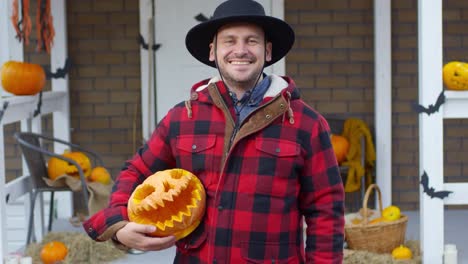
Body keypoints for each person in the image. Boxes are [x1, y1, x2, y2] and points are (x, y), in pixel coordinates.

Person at [83, 0, 345, 263]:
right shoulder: (183, 118)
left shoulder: (305, 124)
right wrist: (119, 225)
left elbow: (326, 212)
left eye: (251, 41)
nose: (240, 50)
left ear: (267, 51)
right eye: (229, 41)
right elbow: (136, 171)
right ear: (213, 51)